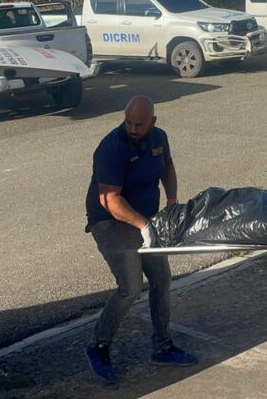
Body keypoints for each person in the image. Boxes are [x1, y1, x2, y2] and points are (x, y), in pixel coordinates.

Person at [83, 95, 198, 384]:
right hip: (111, 221)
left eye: (140, 124)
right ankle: (99, 347)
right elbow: (110, 199)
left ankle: (162, 347)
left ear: (153, 122)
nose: (133, 129)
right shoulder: (111, 147)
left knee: (161, 279)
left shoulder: (159, 138)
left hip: (144, 218)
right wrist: (144, 224)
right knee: (131, 286)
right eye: (129, 123)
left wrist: (171, 199)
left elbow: (167, 167)